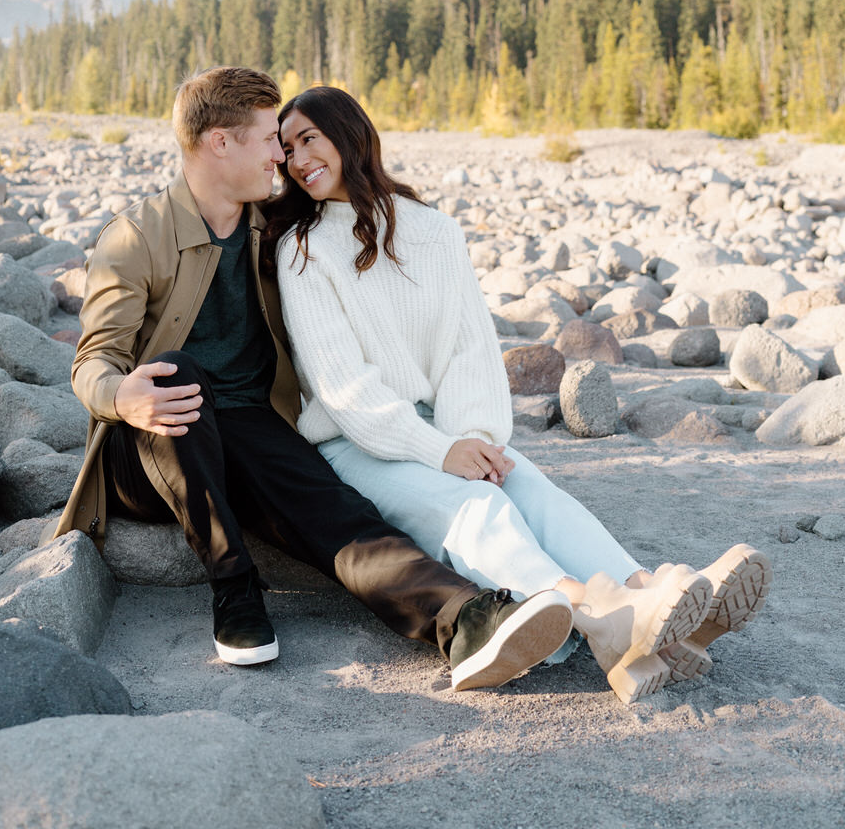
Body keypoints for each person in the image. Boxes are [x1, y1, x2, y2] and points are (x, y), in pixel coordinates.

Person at [52, 66, 577, 692]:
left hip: (248, 430)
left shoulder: (274, 231)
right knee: (179, 376)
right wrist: (122, 396)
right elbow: (92, 363)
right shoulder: (134, 238)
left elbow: (365, 257)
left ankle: (467, 619)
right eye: (271, 138)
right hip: (145, 447)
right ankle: (234, 586)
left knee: (342, 517)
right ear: (221, 142)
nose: (283, 155)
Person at [266, 85, 772, 705]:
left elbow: (468, 351)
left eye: (308, 138)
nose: (297, 158)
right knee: (480, 508)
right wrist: (438, 450)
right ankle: (601, 618)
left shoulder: (433, 231)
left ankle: (646, 600)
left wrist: (472, 438)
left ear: (348, 133)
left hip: (446, 427)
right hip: (359, 441)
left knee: (532, 490)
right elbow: (343, 388)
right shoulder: (303, 250)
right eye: (287, 148)